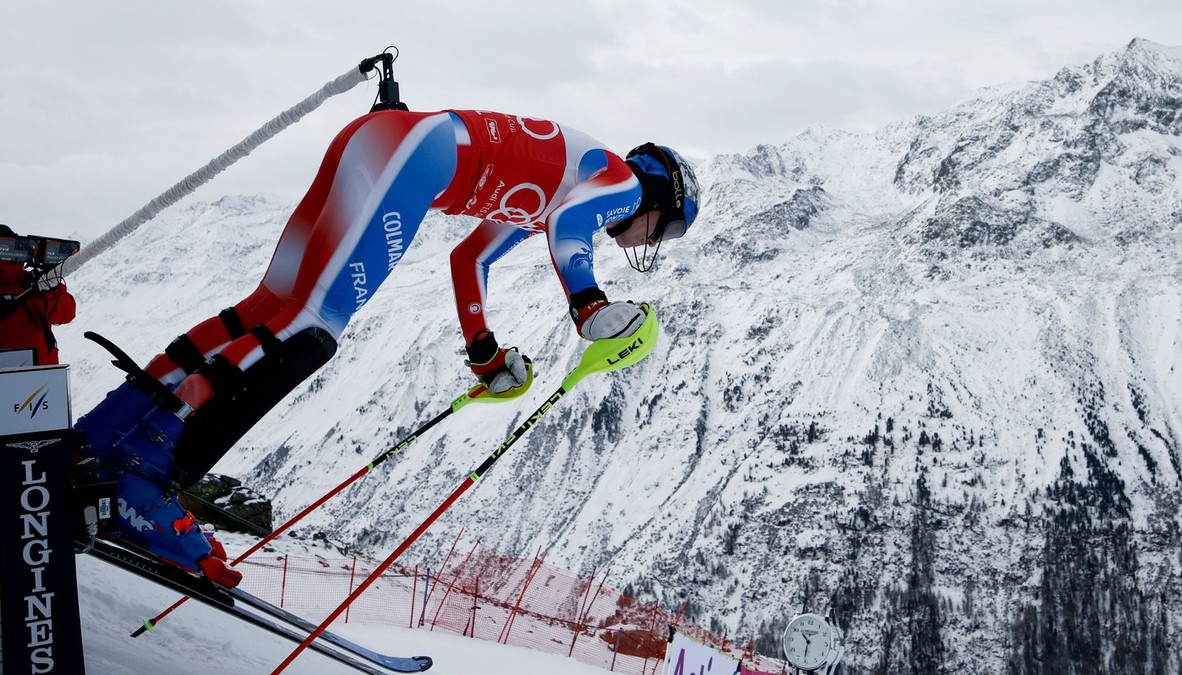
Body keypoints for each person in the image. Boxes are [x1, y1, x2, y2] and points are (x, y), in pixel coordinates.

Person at [74, 108, 701, 588]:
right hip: (418, 160)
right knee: (311, 331)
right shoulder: (622, 183)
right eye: (668, 229)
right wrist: (589, 304)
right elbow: (570, 230)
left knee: (268, 310)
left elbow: (470, 258)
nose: (655, 239)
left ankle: (110, 432)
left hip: (385, 140)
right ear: (660, 196)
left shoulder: (567, 182)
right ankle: (145, 479)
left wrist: (482, 348)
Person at [0, 224, 78, 365]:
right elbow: (66, 315)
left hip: (40, 373)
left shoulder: (35, 282)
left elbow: (66, 314)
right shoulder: (33, 283)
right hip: (41, 375)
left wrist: (49, 286)